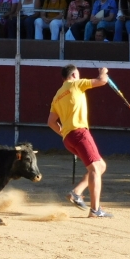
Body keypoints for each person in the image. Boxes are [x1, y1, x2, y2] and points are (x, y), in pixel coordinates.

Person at [48, 65, 112, 218]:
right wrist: (103, 72)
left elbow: (51, 122)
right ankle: (95, 210)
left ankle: (76, 192)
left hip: (68, 138)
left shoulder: (57, 95)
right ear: (74, 74)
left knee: (100, 166)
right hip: (80, 133)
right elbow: (102, 81)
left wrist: (64, 132)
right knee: (96, 169)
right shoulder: (76, 84)